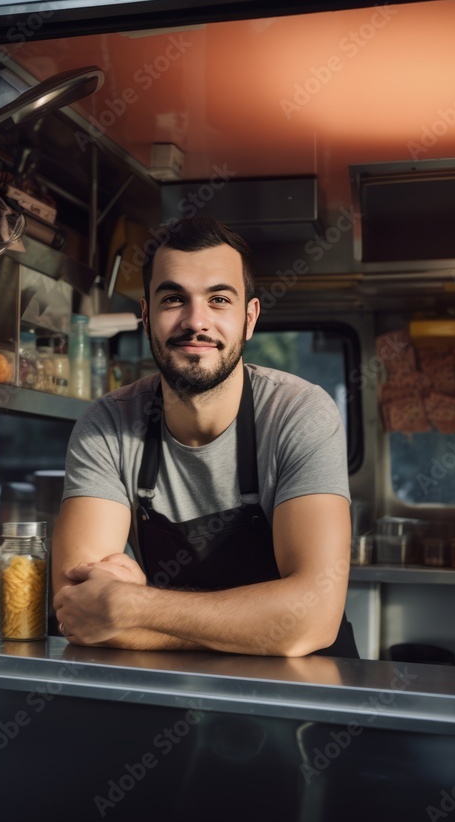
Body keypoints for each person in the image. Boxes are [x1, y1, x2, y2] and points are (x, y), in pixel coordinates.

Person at [52, 216, 358, 658]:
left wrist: (134, 605)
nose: (196, 321)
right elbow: (78, 614)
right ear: (146, 315)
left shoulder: (300, 413)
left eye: (219, 299)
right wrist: (258, 627)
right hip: (169, 694)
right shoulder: (107, 424)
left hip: (302, 697)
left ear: (249, 318)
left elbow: (309, 621)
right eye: (174, 298)